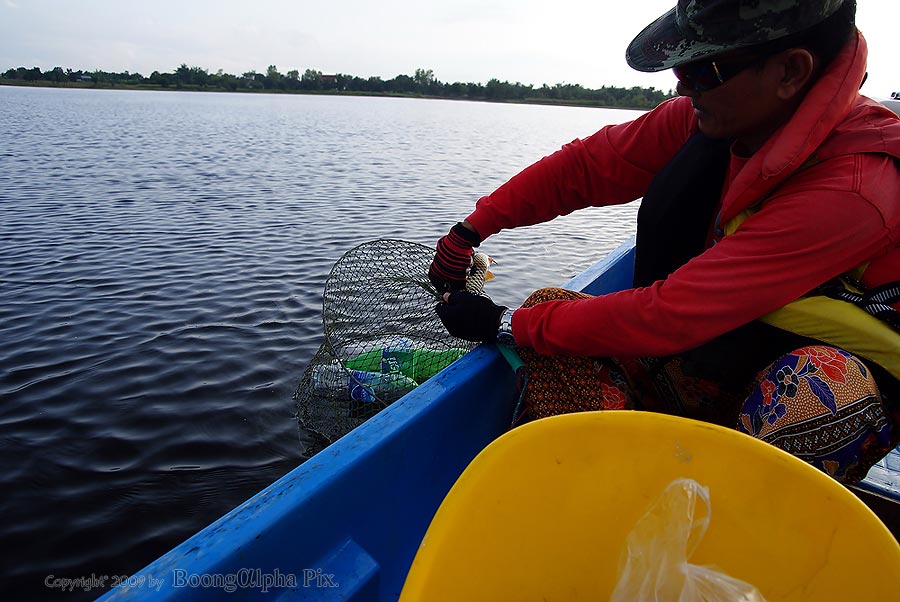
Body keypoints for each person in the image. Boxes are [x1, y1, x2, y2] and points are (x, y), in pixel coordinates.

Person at [430, 0, 900, 484]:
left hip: (828, 378)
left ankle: (728, 539)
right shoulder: (718, 118)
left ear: (790, 71)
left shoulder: (856, 187)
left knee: (810, 392)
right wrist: (470, 231)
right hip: (723, 354)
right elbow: (586, 167)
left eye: (703, 69)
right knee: (551, 314)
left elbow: (672, 313)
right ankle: (610, 493)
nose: (681, 84)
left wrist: (503, 321)